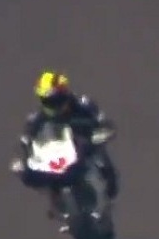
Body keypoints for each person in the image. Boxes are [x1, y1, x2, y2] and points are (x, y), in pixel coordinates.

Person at [12, 71, 119, 229]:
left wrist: (102, 131)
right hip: (58, 154)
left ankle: (107, 188)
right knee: (34, 172)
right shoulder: (36, 118)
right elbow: (26, 139)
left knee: (102, 161)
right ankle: (57, 204)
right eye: (48, 100)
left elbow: (103, 121)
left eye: (55, 99)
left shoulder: (83, 104)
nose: (52, 103)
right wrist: (23, 158)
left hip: (85, 147)